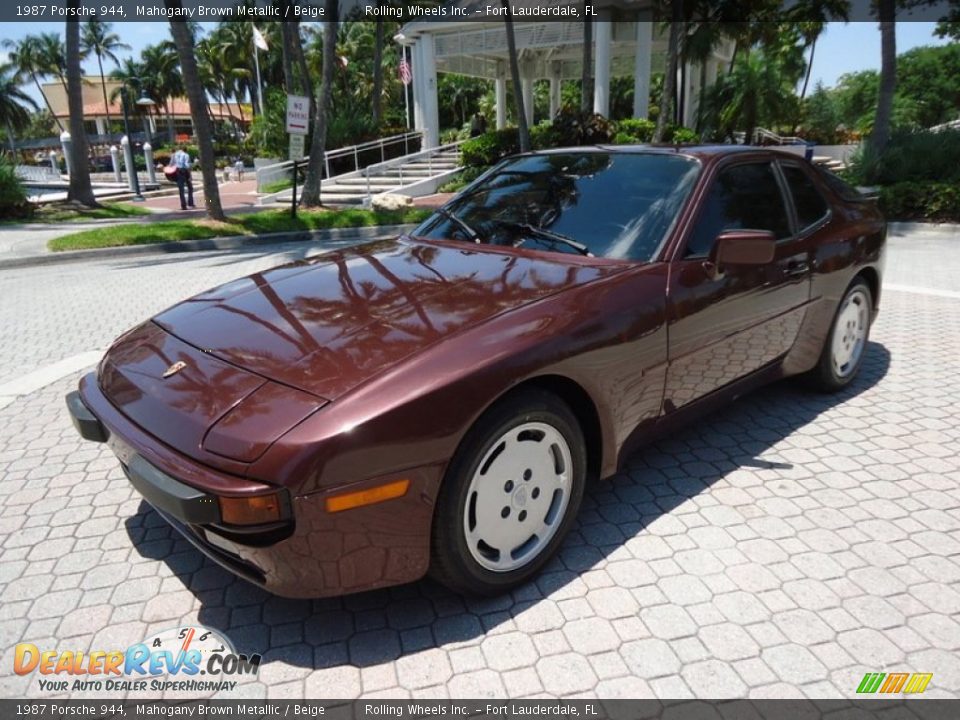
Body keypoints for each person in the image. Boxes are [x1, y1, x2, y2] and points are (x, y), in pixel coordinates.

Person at [170, 145, 195, 210]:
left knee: (181, 190)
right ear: (185, 150)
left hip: (178, 171)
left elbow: (171, 164)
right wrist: (190, 175)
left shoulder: (174, 154)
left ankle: (183, 205)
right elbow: (187, 165)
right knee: (190, 188)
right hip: (185, 171)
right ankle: (190, 203)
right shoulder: (186, 155)